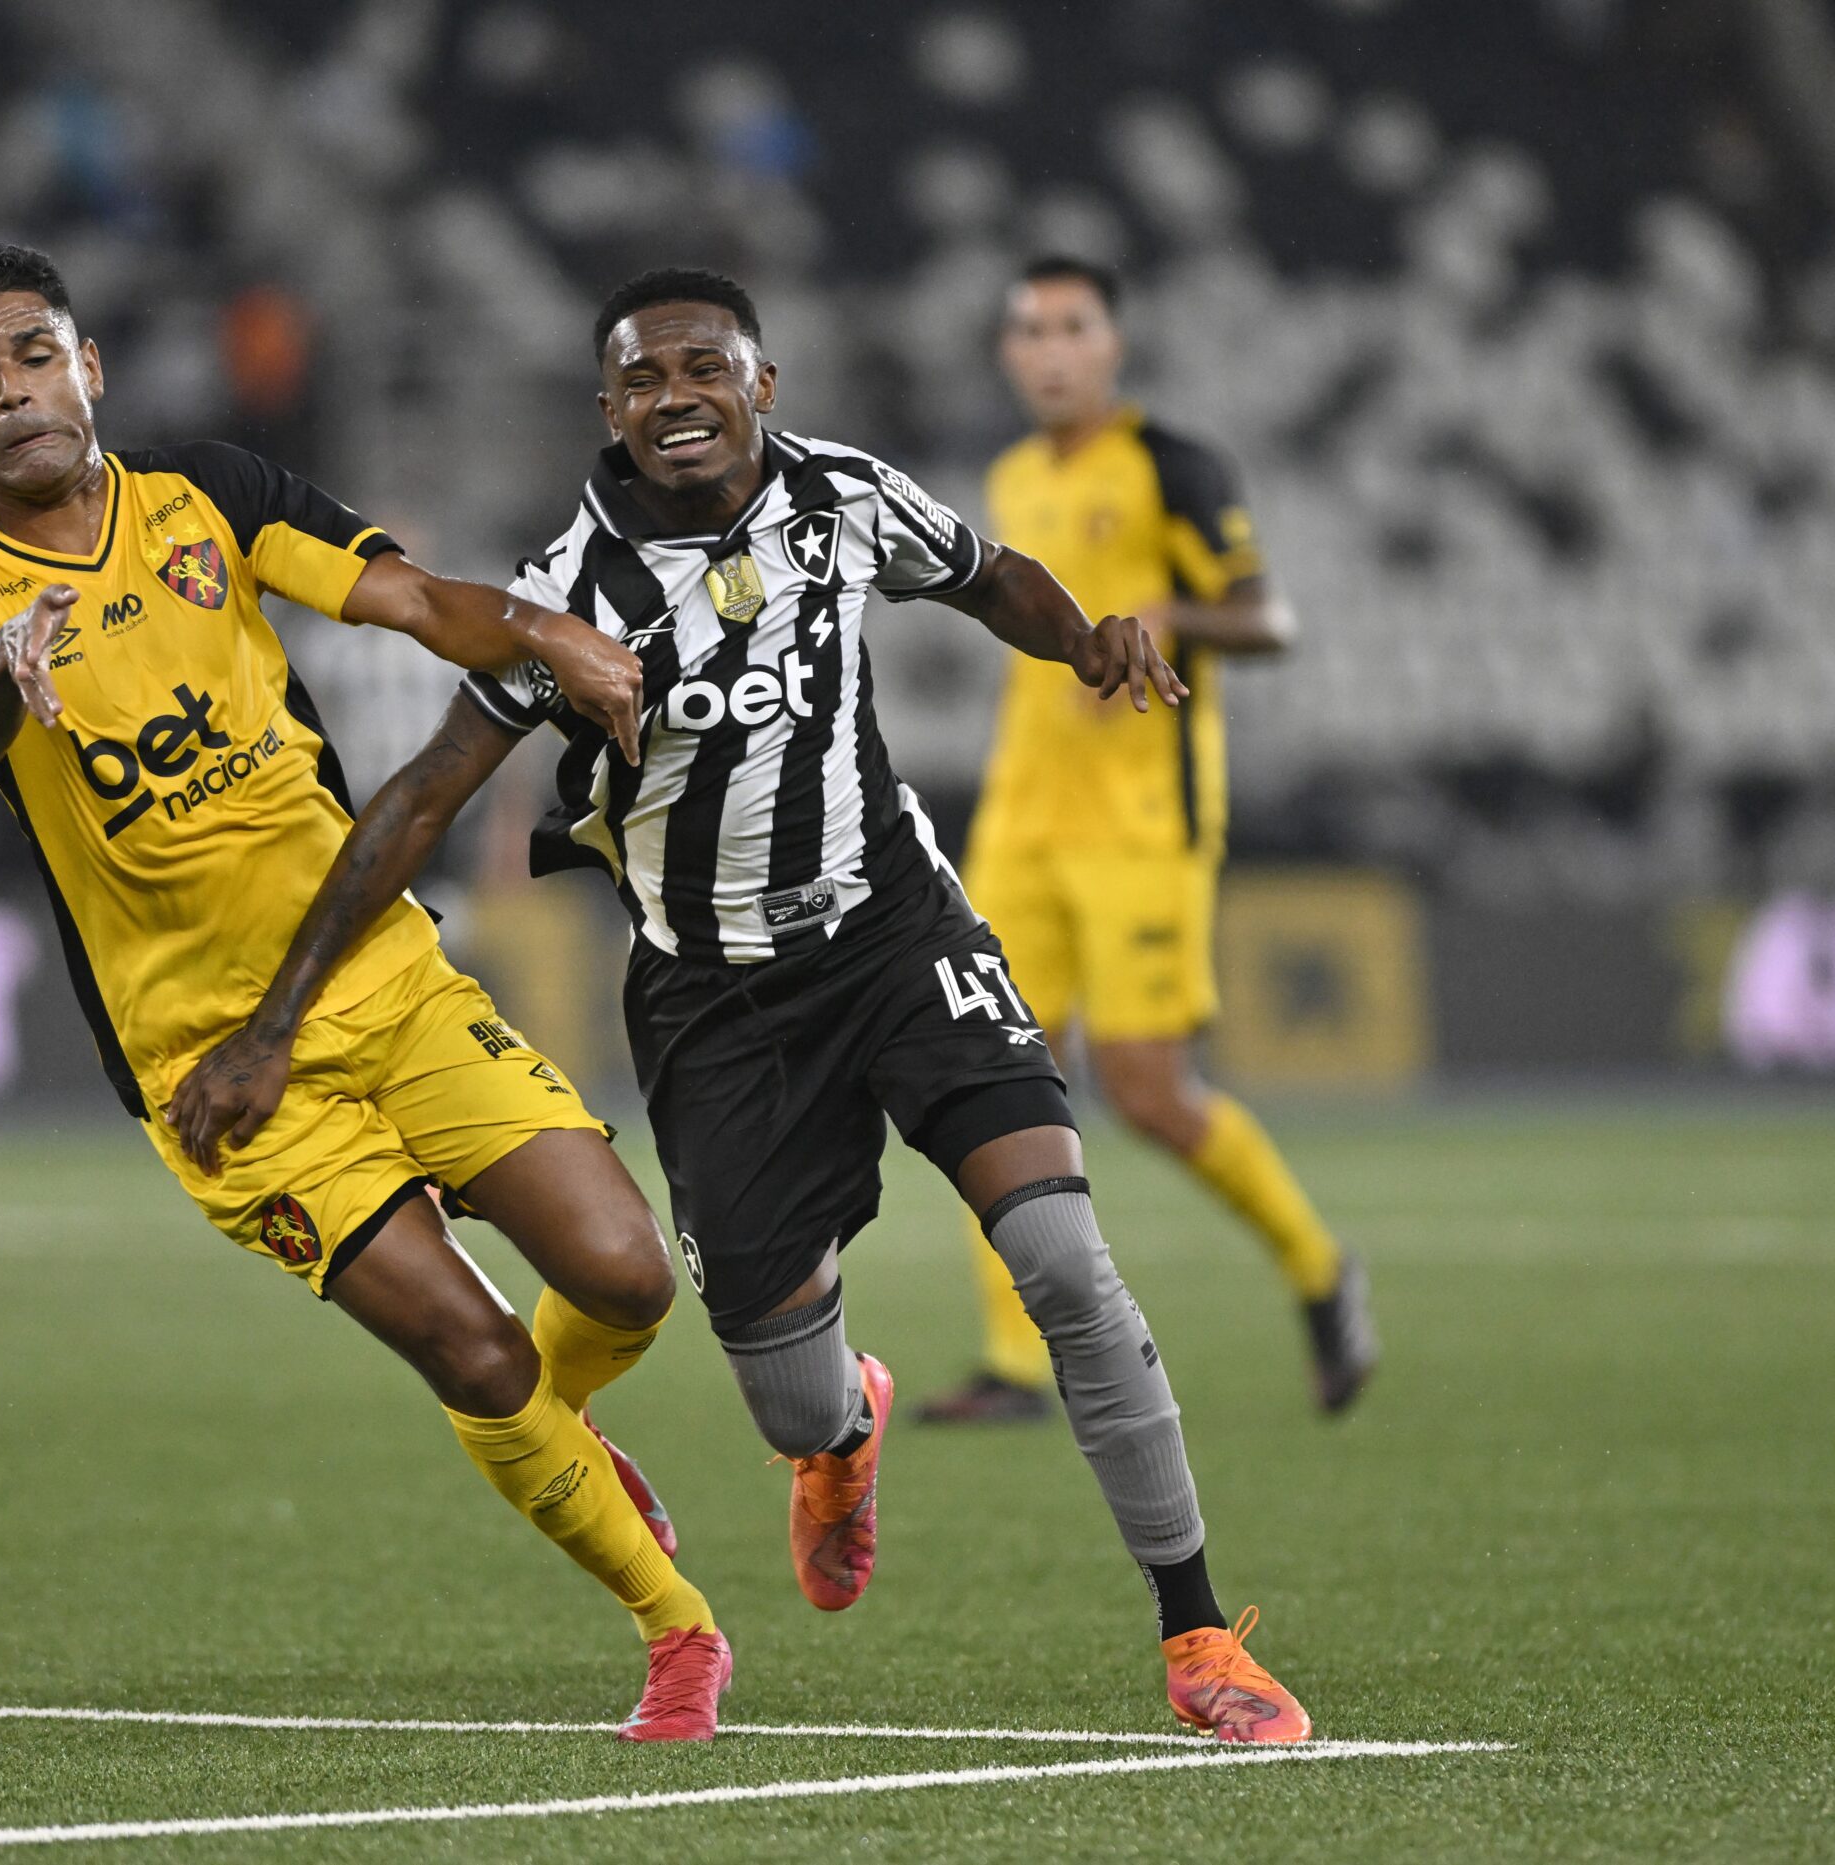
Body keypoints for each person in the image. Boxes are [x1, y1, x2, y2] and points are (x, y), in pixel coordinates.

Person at [174, 268, 1314, 1742]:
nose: (675, 398)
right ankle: (842, 1431)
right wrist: (277, 1021)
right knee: (784, 1399)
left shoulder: (845, 498)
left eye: (703, 367)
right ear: (609, 413)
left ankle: (1200, 1636)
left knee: (1064, 1262)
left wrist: (1088, 636)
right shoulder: (570, 594)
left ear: (761, 384)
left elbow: (986, 573)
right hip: (715, 1003)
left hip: (895, 927)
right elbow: (419, 798)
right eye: (642, 380)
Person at [0, 242, 731, 1741]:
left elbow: (406, 598)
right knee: (470, 1347)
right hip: (210, 1061)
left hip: (377, 978)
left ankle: (562, 1430)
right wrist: (8, 670)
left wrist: (547, 634)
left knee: (627, 1276)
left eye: (32, 355)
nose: (11, 392)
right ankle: (679, 1633)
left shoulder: (204, 492)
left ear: (91, 369)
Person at [917, 257, 1379, 1428]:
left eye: (1072, 326)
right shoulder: (1011, 476)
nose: (1049, 349)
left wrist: (1176, 614)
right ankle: (1014, 1363)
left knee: (1147, 1094)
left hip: (1139, 827)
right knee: (983, 1071)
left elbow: (1269, 616)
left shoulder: (1172, 464)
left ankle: (1320, 1269)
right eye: (1027, 329)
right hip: (1022, 819)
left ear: (1112, 342)